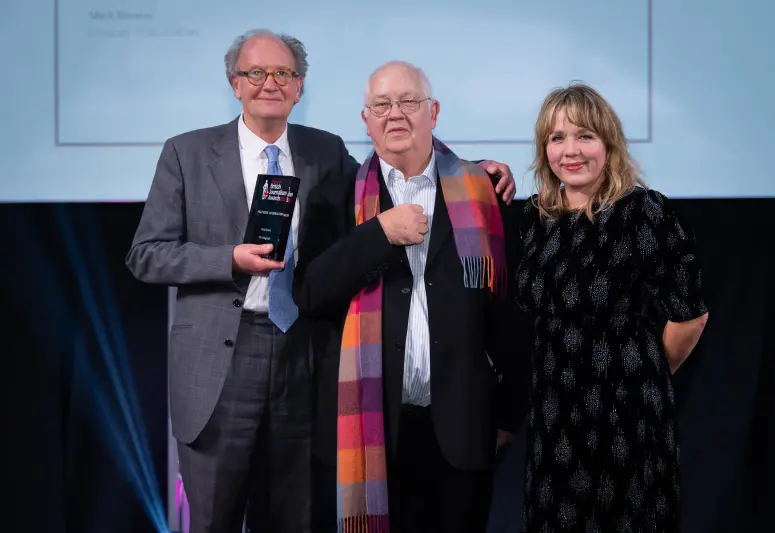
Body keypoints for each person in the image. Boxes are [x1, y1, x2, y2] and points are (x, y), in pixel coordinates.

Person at [125, 30, 517, 533]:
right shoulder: (187, 153)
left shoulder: (324, 152)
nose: (270, 83)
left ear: (299, 87)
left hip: (302, 357)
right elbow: (146, 256)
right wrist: (230, 258)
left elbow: (399, 168)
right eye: (256, 73)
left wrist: (475, 171)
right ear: (235, 83)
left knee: (293, 518)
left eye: (283, 74)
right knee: (212, 520)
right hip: (221, 363)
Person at [293, 60, 529, 533]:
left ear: (434, 111)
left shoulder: (483, 189)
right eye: (381, 104)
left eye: (408, 102)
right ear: (366, 120)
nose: (394, 113)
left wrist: (507, 415)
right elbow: (312, 294)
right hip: (372, 426)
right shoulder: (332, 196)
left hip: (461, 429)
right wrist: (379, 233)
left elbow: (511, 314)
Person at [515, 83, 709, 532]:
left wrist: (642, 376)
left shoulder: (644, 213)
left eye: (585, 136)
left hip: (627, 422)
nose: (571, 150)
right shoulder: (536, 219)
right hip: (553, 423)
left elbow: (690, 316)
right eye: (557, 138)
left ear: (608, 143)